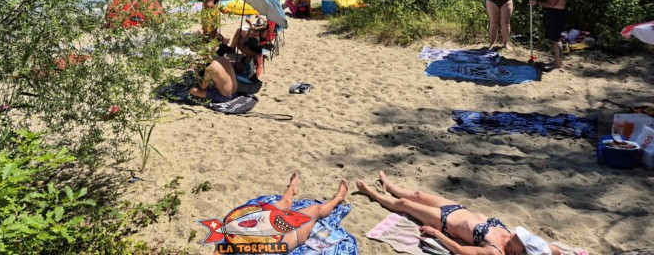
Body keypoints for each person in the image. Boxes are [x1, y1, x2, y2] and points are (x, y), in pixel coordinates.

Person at [355, 172, 561, 255]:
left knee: (404, 204)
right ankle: (389, 185)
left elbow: (461, 251)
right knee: (417, 194)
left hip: (444, 222)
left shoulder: (495, 252)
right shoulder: (518, 240)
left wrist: (437, 235)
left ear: (521, 250)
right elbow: (553, 250)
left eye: (523, 239)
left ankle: (370, 192)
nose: (520, 233)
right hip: (459, 208)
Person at [211, 173, 348, 252]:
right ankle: (338, 198)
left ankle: (292, 188)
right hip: (292, 231)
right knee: (315, 209)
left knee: (285, 202)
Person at [530, 0, 569, 71]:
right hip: (554, 12)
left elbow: (552, 3)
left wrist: (537, 2)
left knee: (556, 38)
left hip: (557, 13)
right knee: (553, 38)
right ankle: (556, 61)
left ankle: (558, 63)